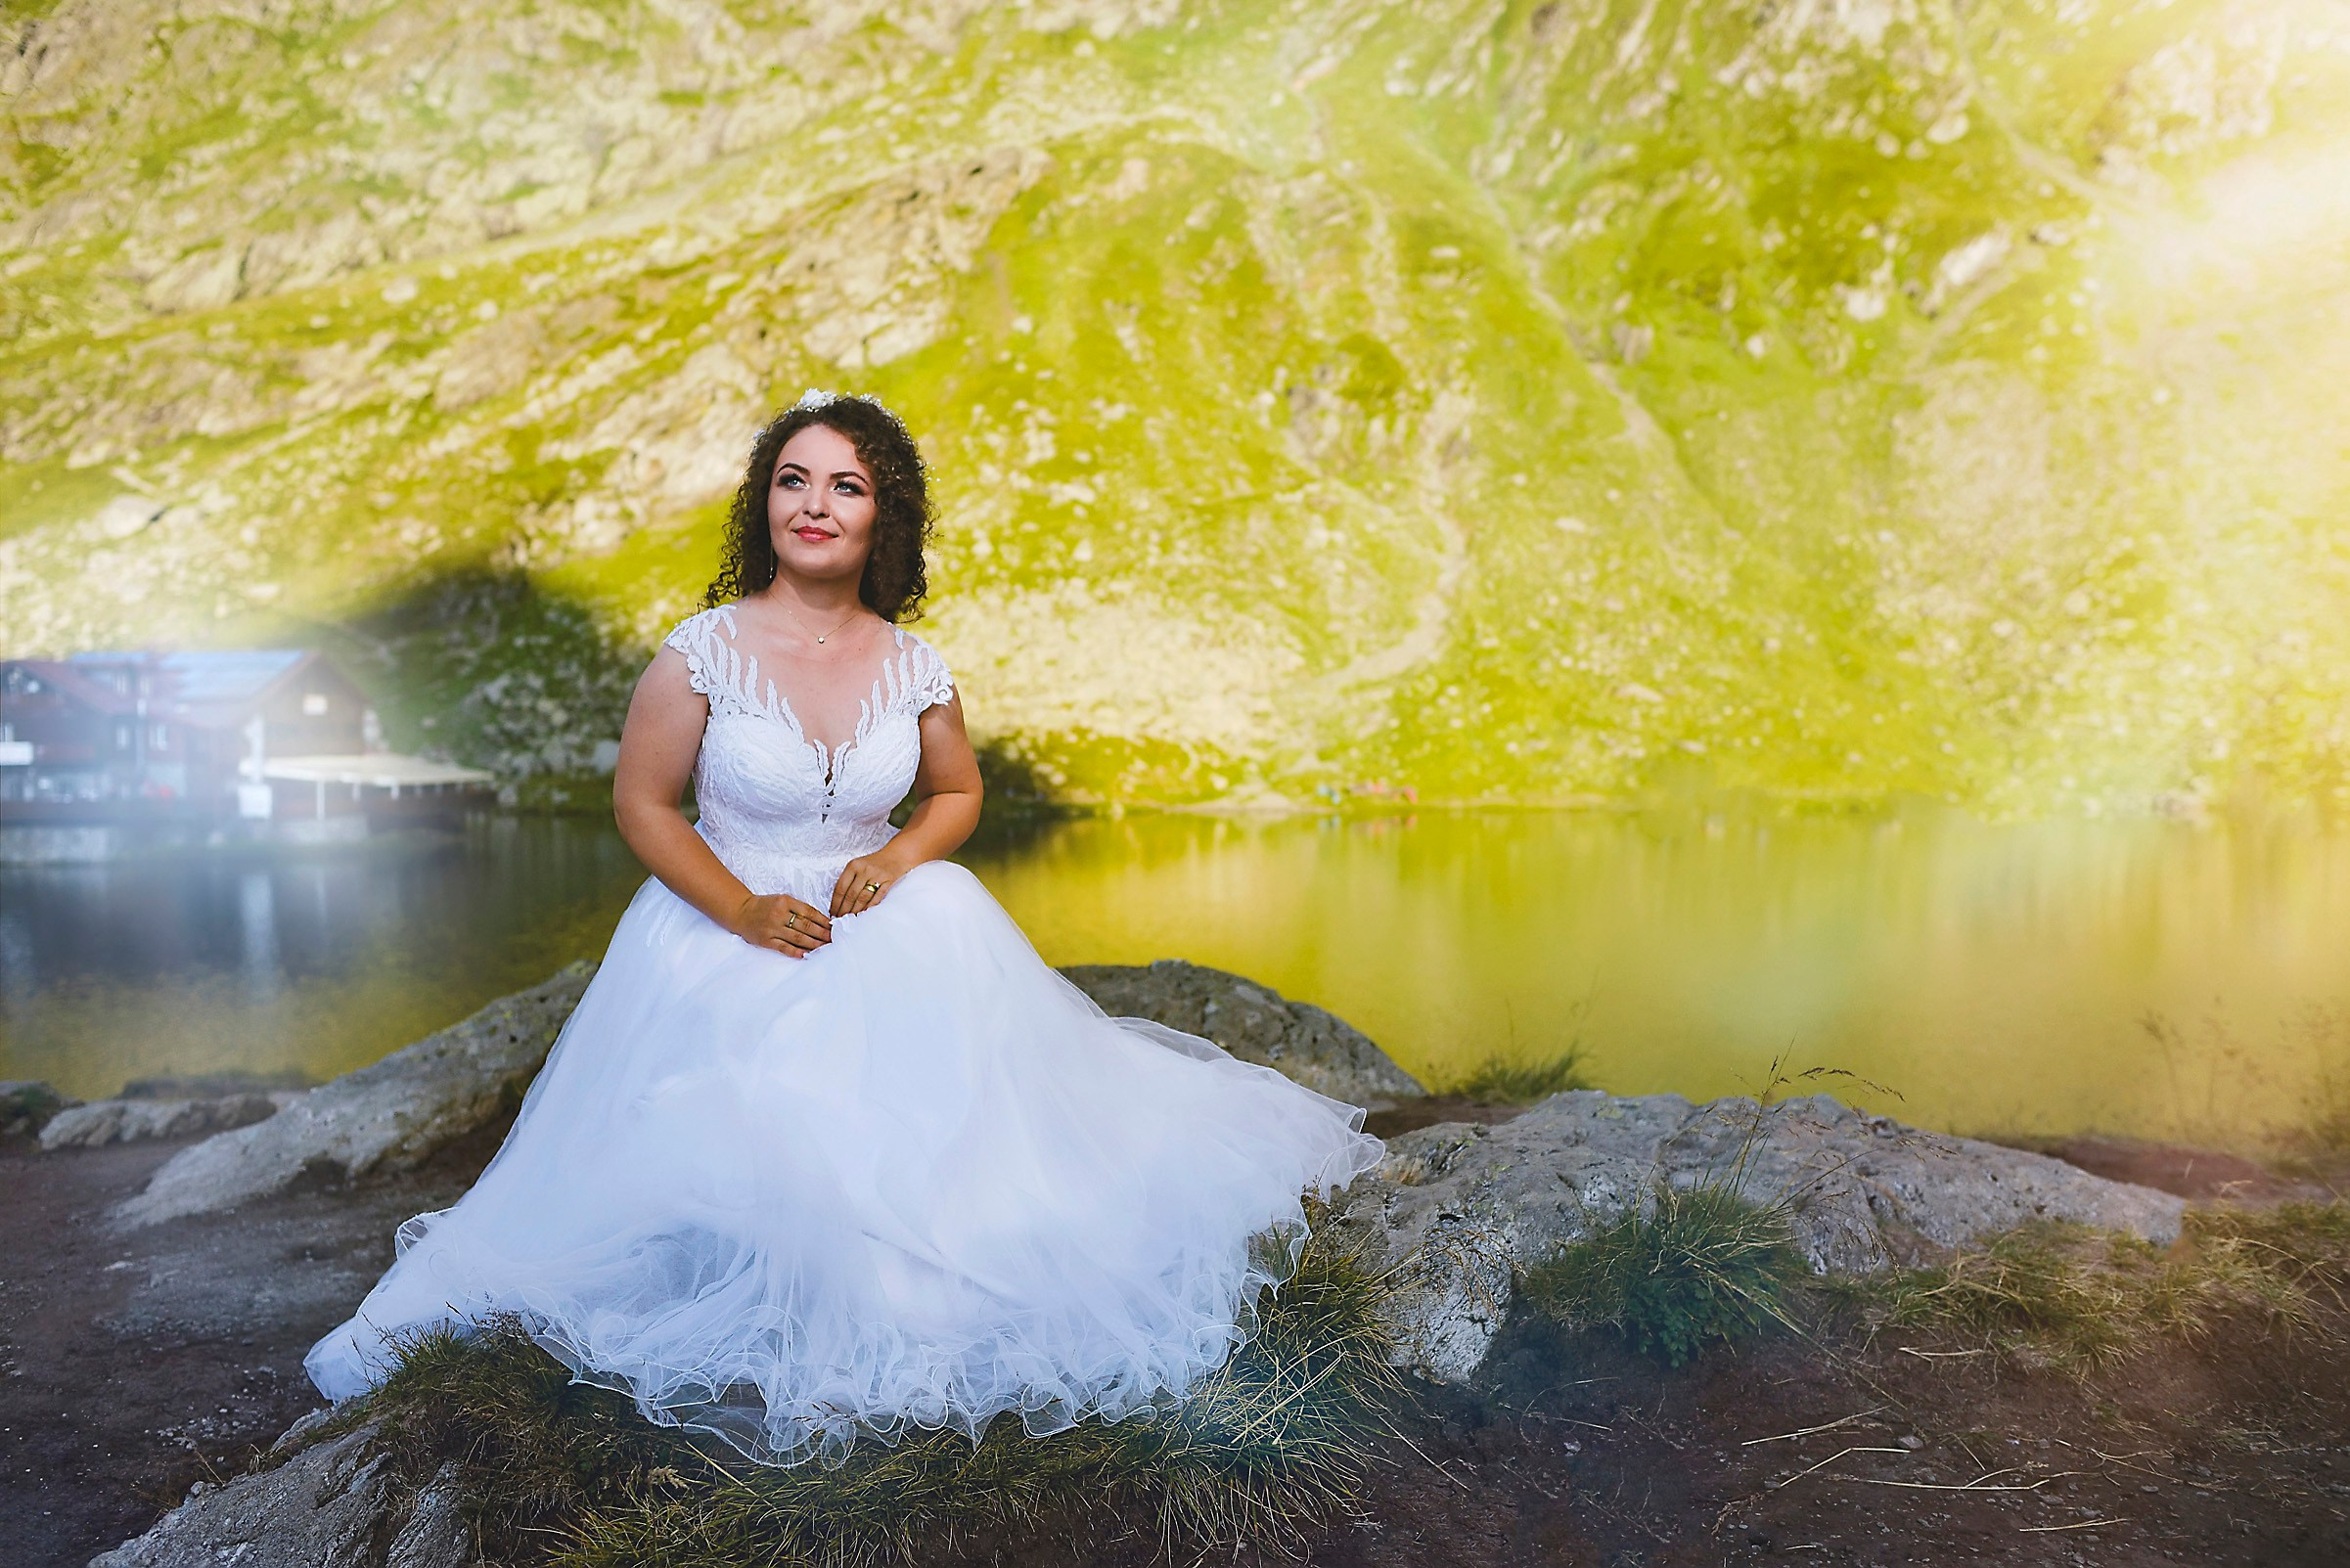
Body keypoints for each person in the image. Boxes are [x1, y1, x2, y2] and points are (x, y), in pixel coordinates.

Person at [304, 389, 1382, 1466]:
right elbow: (642, 803)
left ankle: (923, 1282)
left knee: (955, 1143)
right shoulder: (699, 653)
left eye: (846, 486)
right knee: (749, 1139)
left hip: (892, 924)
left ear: (881, 518)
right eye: (793, 480)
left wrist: (898, 858)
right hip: (722, 929)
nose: (814, 504)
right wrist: (738, 906)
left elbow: (956, 792)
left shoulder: (914, 665)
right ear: (763, 504)